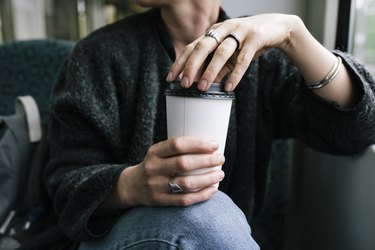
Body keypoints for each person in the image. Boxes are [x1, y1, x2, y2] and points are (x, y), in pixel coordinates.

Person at [22, 0, 375, 249]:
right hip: (107, 240)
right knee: (202, 212)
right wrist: (131, 185)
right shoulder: (97, 56)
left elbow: (359, 130)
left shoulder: (261, 58)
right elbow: (62, 189)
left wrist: (293, 35)